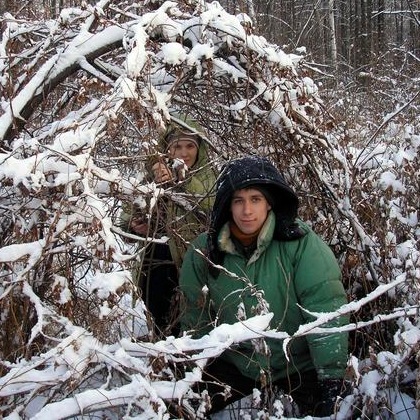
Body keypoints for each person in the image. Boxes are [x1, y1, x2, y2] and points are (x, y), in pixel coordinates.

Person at [179, 156, 349, 416]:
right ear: (227, 205)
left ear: (269, 203)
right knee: (182, 408)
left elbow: (325, 306)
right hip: (237, 364)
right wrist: (193, 370)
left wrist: (331, 377)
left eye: (255, 199)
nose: (247, 211)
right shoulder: (204, 251)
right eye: (238, 200)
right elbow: (195, 316)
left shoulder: (300, 243)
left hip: (296, 365)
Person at [125, 115, 216, 336]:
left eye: (189, 146)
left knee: (195, 321)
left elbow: (210, 203)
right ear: (168, 150)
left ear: (199, 148)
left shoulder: (209, 176)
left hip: (194, 262)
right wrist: (135, 225)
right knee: (161, 322)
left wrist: (180, 179)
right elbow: (125, 219)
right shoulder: (150, 178)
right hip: (154, 264)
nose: (184, 153)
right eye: (177, 146)